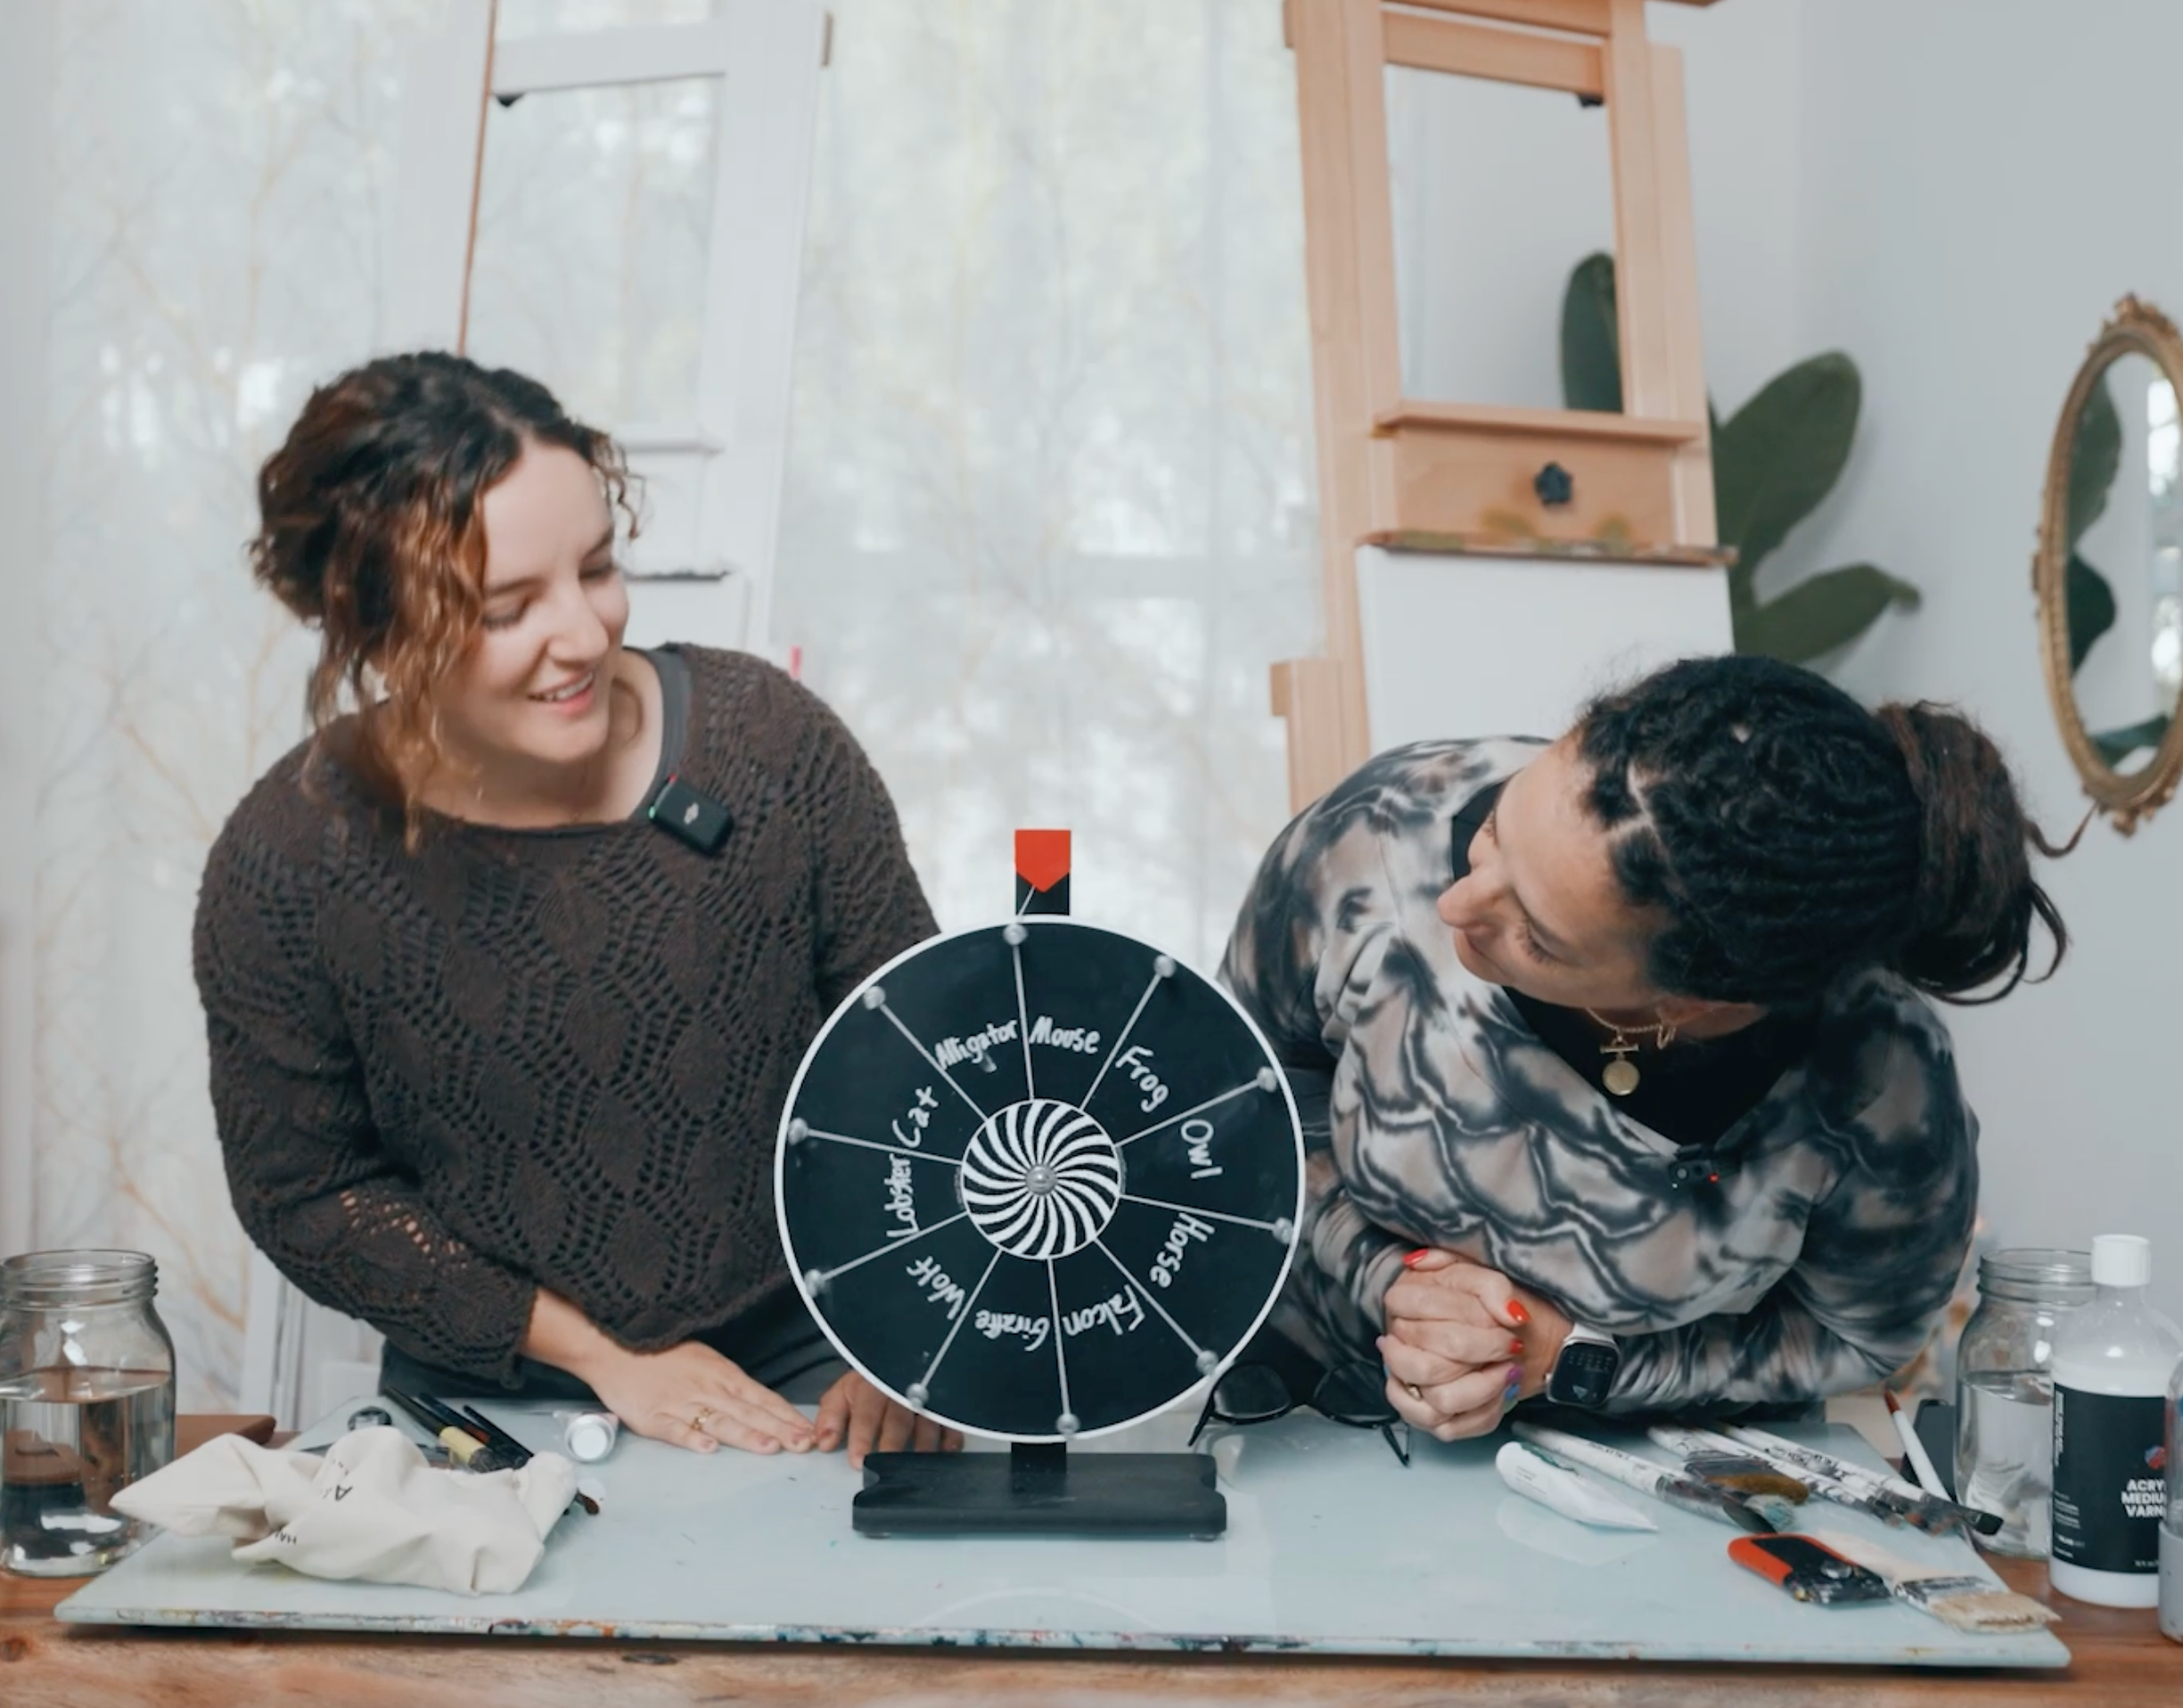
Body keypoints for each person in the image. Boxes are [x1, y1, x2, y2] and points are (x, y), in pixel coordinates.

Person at [193, 351, 958, 1465]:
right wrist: (605, 1358)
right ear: (376, 626)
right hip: (488, 1407)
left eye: (597, 567)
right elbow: (305, 1191)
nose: (587, 633)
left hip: (821, 1372)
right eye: (508, 607)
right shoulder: (290, 860)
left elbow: (927, 1052)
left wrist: (911, 1323)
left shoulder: (772, 748)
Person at [1220, 655, 2070, 1441]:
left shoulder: (1877, 1086)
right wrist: (1387, 1277)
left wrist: (1567, 1360)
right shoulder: (1382, 830)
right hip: (1299, 1418)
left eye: (1537, 937)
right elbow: (1241, 1090)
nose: (1456, 907)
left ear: (1699, 1004)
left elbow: (1857, 1337)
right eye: (1496, 828)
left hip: (1652, 1489)